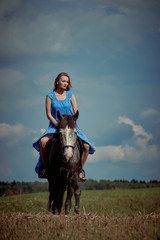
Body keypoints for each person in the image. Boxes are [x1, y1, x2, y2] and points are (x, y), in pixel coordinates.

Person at [33, 72, 95, 181]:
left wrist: (70, 123)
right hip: (55, 125)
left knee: (86, 146)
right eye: (63, 81)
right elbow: (48, 114)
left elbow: (76, 112)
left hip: (70, 126)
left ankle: (79, 170)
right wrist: (58, 124)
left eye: (67, 81)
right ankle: (45, 168)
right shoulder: (50, 96)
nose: (65, 83)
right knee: (43, 142)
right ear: (57, 81)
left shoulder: (71, 95)